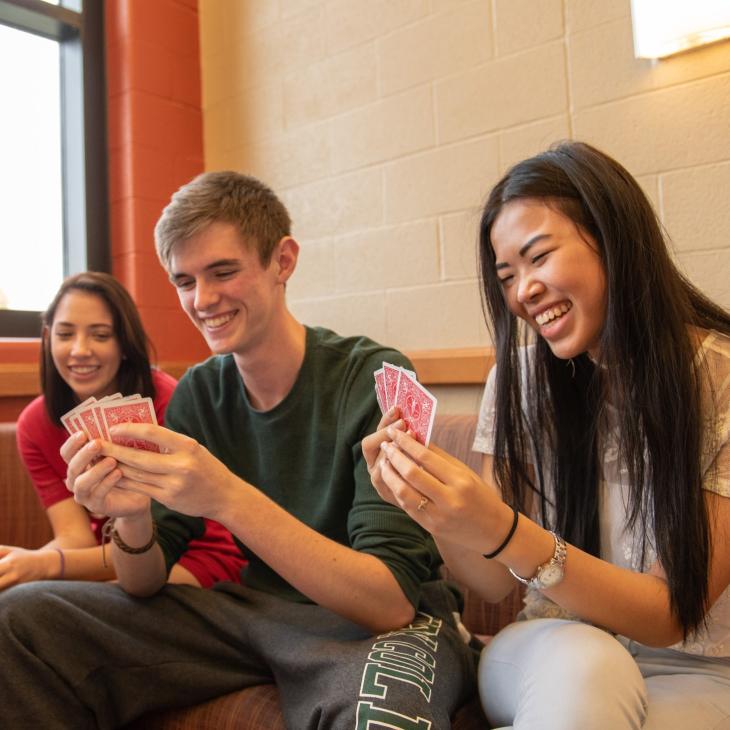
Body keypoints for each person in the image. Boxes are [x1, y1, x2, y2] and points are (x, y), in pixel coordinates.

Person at [0, 173, 477, 729]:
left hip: (371, 626)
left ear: (283, 261)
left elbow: (390, 603)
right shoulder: (200, 392)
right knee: (19, 621)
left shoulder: (370, 376)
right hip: (245, 614)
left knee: (385, 716)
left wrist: (226, 496)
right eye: (184, 280)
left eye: (223, 271)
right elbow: (143, 583)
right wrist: (130, 519)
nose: (203, 300)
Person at [363, 141, 730, 729]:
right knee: (587, 665)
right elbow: (484, 577)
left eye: (538, 257)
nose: (522, 292)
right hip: (550, 645)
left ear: (613, 236)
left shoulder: (720, 378)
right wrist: (429, 505)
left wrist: (506, 530)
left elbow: (669, 616)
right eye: (506, 275)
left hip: (697, 668)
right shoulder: (524, 379)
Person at [6, 272, 246, 590]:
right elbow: (73, 537)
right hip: (108, 563)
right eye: (65, 334)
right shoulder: (35, 424)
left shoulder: (168, 401)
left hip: (191, 554)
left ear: (124, 344)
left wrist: (45, 564)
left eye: (101, 335)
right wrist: (20, 566)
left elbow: (161, 541)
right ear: (48, 338)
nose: (79, 350)